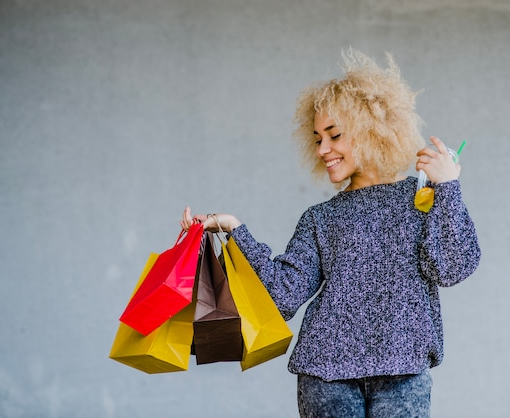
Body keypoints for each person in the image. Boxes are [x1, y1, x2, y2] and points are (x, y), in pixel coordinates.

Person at [180, 49, 481, 418]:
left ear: (372, 130)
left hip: (403, 374)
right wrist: (234, 229)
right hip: (324, 376)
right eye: (317, 138)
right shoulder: (321, 218)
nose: (323, 149)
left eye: (334, 135)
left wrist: (448, 187)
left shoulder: (424, 198)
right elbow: (282, 296)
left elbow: (452, 267)